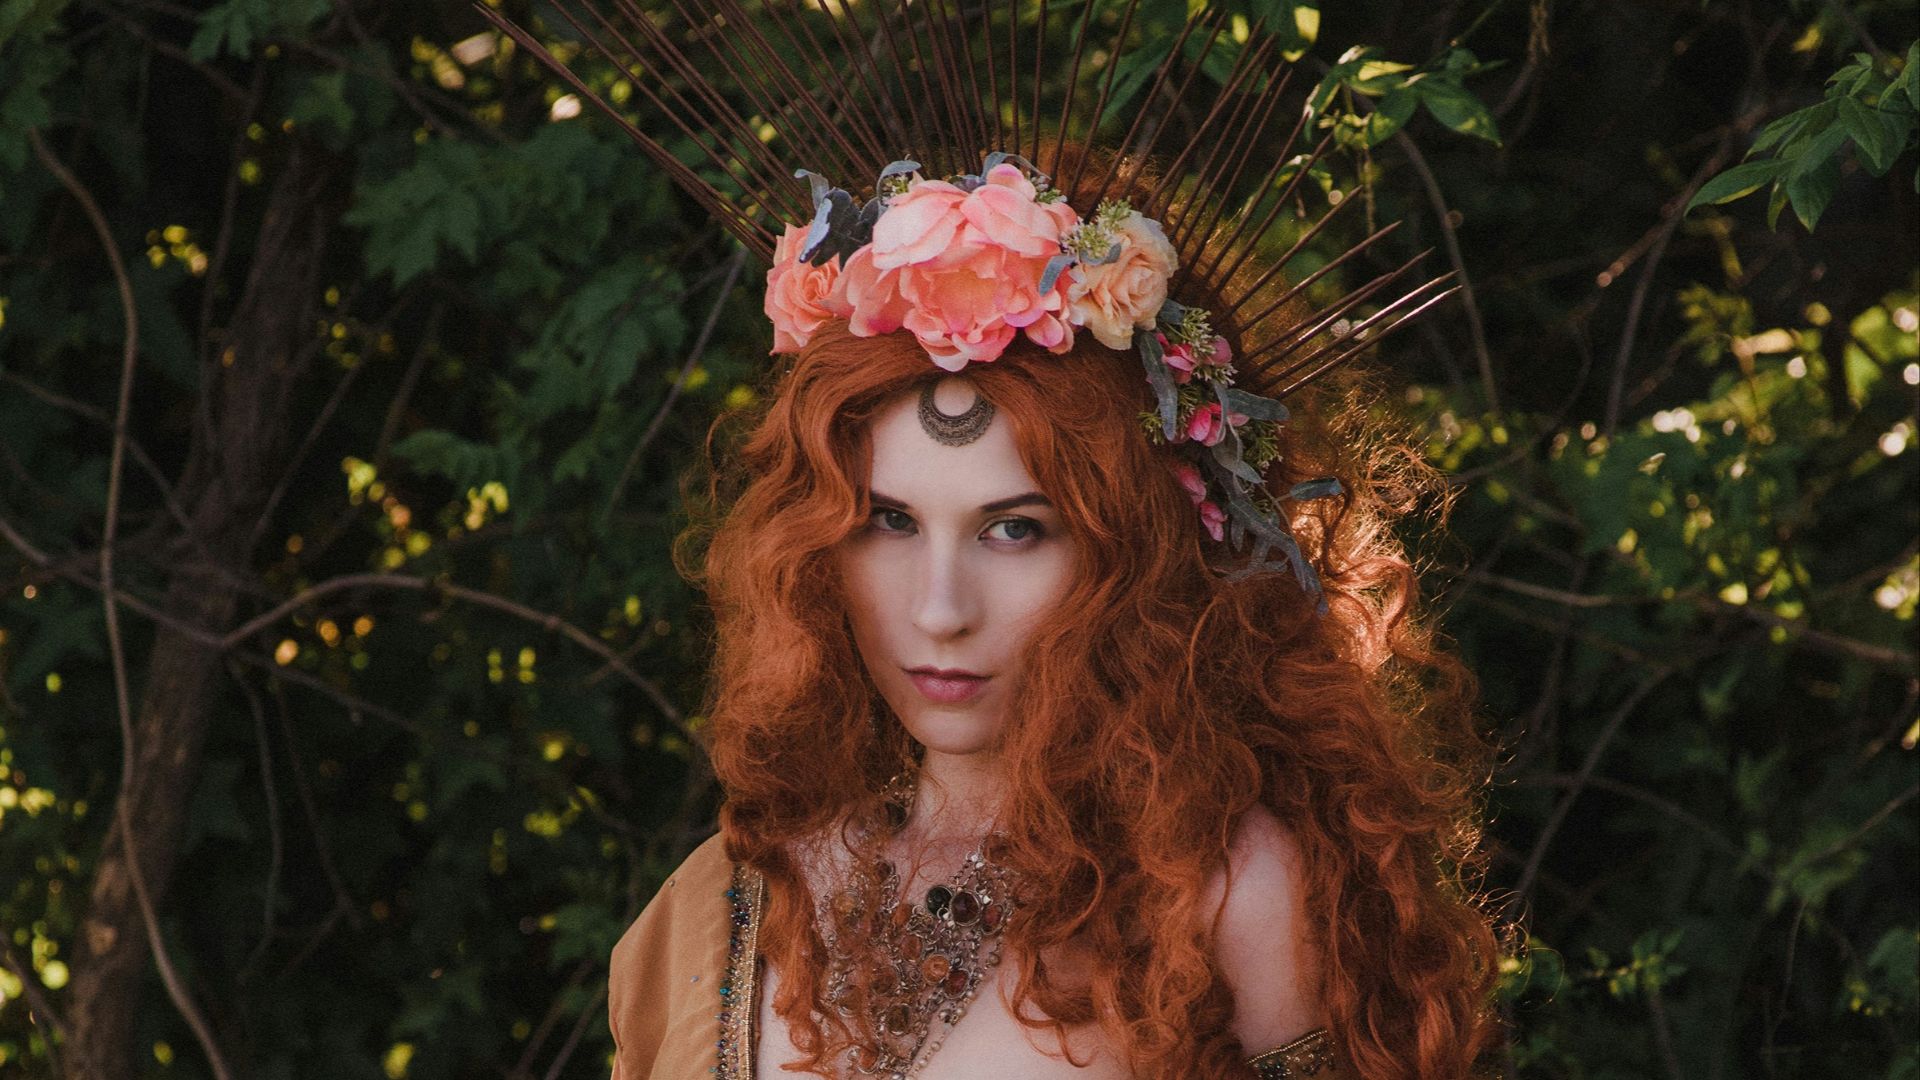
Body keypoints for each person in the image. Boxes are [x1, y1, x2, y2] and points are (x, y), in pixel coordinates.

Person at [479, 3, 1508, 1076]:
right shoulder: (725, 905)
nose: (938, 607)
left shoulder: (1235, 898)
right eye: (887, 522)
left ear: (1142, 554)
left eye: (1014, 530)